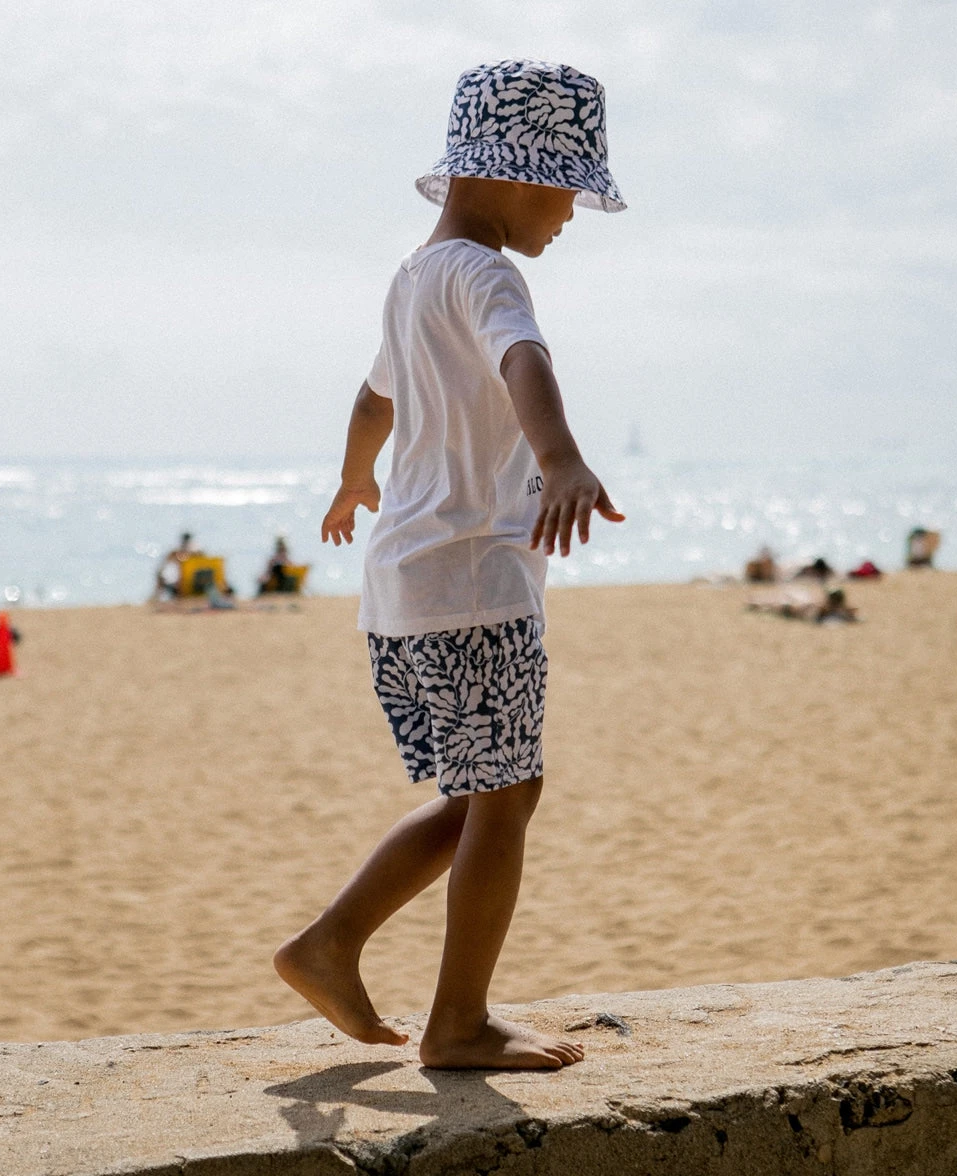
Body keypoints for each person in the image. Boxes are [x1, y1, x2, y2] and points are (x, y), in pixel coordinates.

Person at [272, 60, 626, 1071]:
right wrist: (558, 457)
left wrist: (353, 483)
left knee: (481, 794)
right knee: (507, 797)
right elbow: (527, 362)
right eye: (564, 189)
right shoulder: (487, 273)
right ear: (508, 177)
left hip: (402, 588)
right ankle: (459, 1023)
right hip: (472, 580)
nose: (568, 214)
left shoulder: (413, 280)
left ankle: (328, 944)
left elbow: (374, 399)